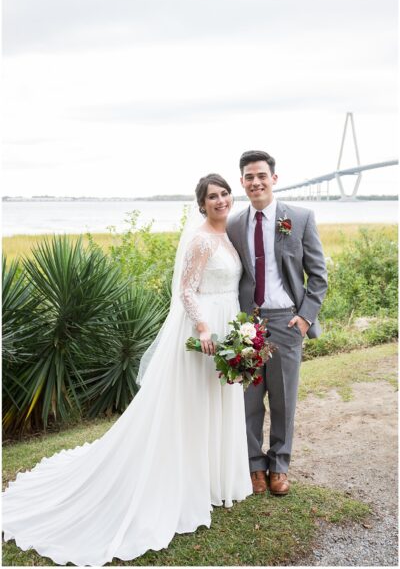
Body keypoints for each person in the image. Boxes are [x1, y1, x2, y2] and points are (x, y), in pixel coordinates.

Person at [2, 174, 252, 567]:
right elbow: (186, 290)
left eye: (223, 194)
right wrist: (204, 327)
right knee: (192, 407)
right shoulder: (202, 239)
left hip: (229, 326)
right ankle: (183, 482)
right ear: (201, 204)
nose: (219, 200)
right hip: (204, 330)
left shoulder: (227, 236)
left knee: (214, 400)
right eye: (211, 196)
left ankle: (212, 480)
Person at [227, 150, 328, 496]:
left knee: (284, 399)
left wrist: (304, 318)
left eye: (261, 176)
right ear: (242, 182)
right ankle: (255, 465)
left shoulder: (299, 218)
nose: (256, 182)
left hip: (287, 322)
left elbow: (318, 275)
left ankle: (280, 465)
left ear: (274, 178)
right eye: (249, 177)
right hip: (249, 325)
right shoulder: (234, 225)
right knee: (249, 400)